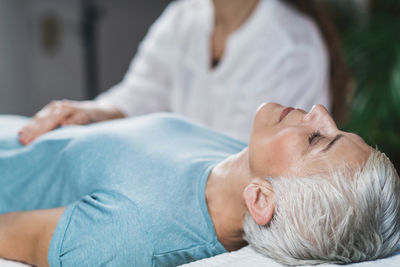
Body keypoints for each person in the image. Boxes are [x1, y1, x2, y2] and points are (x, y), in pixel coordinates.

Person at [0, 102, 399, 267]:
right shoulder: (242, 158)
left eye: (317, 140)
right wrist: (100, 115)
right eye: (336, 130)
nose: (320, 111)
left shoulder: (131, 233)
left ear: (261, 199)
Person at [18, 0, 351, 145]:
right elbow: (140, 93)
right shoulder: (183, 17)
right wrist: (89, 113)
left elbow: (243, 159)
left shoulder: (292, 43)